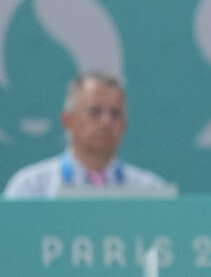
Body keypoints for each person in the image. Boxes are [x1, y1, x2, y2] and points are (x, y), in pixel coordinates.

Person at [3, 72, 171, 199]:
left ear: (124, 126)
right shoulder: (30, 190)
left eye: (115, 114)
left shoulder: (152, 192)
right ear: (68, 120)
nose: (106, 121)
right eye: (95, 111)